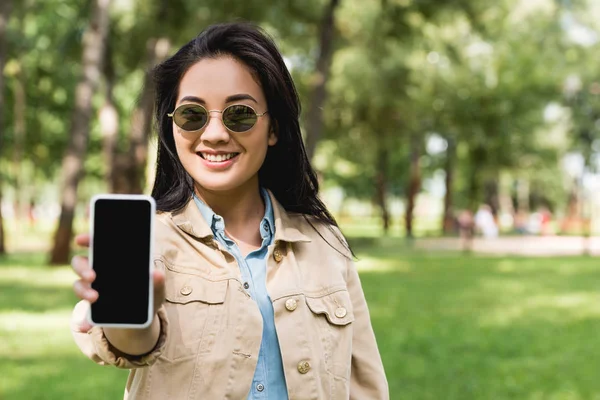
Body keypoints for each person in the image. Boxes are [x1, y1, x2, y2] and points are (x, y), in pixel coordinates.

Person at [69, 22, 389, 400]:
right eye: (192, 115)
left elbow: (365, 386)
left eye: (240, 114)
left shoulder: (324, 242)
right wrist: (134, 315)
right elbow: (125, 344)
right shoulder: (147, 241)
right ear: (171, 128)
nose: (215, 134)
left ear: (273, 128)